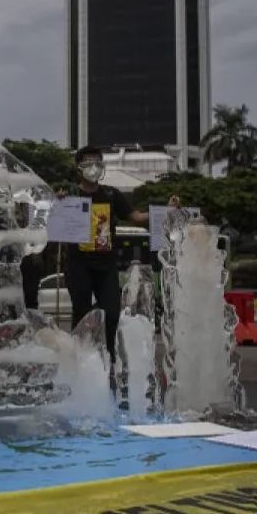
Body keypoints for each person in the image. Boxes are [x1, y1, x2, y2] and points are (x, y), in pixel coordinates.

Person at [64, 146, 177, 357]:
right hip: (78, 264)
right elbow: (55, 220)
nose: (94, 168)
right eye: (89, 163)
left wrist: (167, 210)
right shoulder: (71, 193)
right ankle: (78, 356)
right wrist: (59, 201)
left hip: (106, 264)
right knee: (81, 312)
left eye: (98, 163)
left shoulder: (111, 194)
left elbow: (137, 217)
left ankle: (108, 355)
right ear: (79, 168)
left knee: (112, 313)